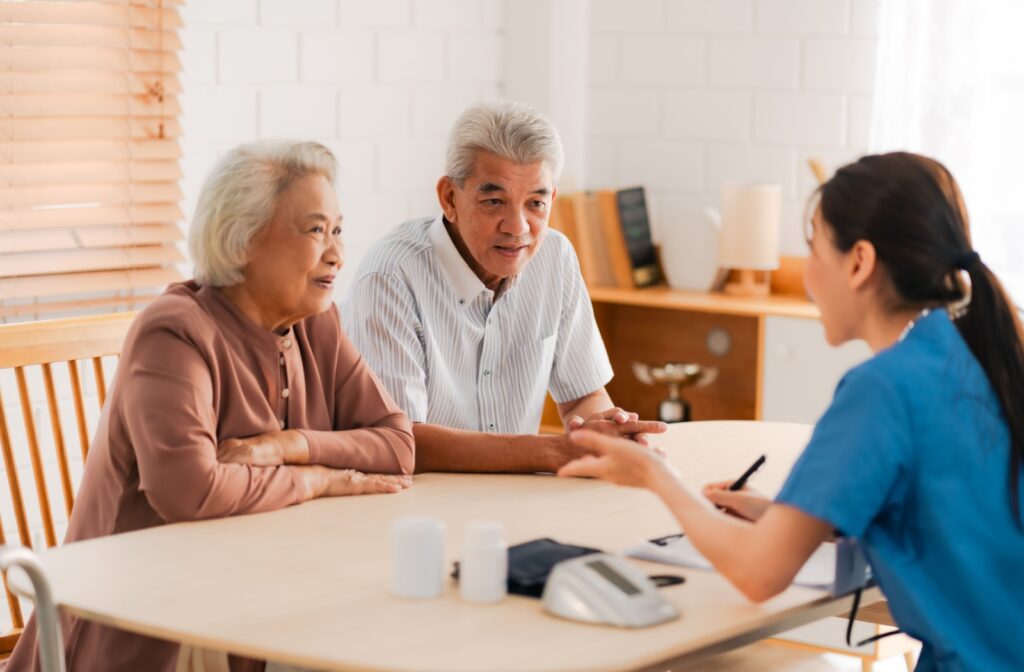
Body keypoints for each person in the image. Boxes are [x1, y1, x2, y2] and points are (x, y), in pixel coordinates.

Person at [558, 152, 1024, 671]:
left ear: (859, 262)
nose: (806, 275)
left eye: (813, 249)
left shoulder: (883, 390)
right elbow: (943, 511)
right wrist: (786, 517)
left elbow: (759, 576)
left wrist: (657, 477)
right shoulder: (975, 356)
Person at [9, 140, 415, 672]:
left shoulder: (317, 322)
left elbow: (396, 445)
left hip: (253, 620)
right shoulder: (174, 331)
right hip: (139, 635)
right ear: (242, 239)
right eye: (316, 230)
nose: (337, 253)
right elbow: (190, 490)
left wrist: (293, 447)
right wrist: (319, 478)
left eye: (338, 230)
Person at [342, 100, 665, 473]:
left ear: (552, 200)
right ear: (449, 198)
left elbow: (583, 397)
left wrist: (604, 432)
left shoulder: (555, 257)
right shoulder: (390, 278)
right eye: (494, 201)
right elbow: (400, 441)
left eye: (535, 203)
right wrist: (557, 452)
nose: (517, 227)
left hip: (514, 499)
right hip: (419, 503)